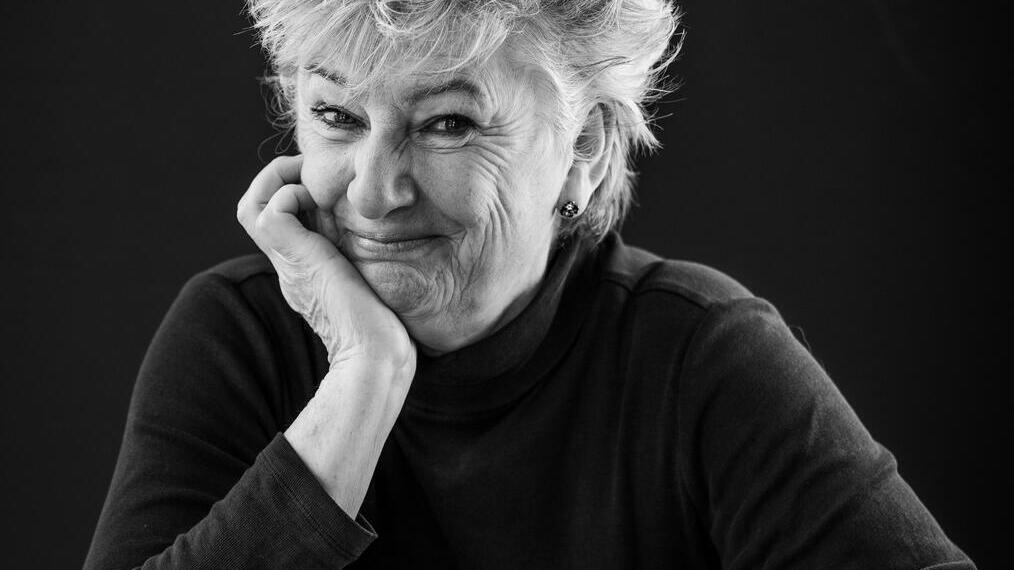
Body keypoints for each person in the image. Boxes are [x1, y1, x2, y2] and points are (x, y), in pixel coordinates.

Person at [84, 1, 975, 568]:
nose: (374, 190)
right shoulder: (238, 335)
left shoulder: (697, 354)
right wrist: (366, 376)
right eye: (336, 115)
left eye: (447, 123)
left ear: (583, 148)